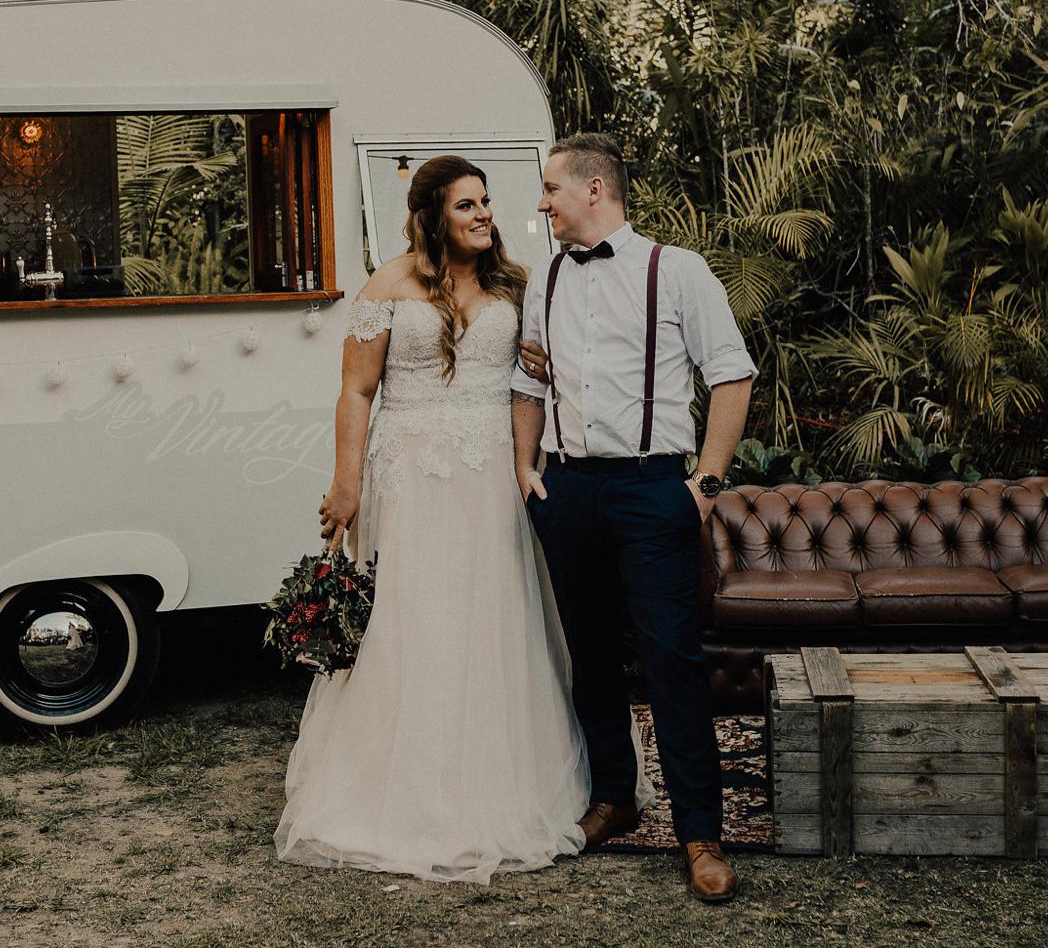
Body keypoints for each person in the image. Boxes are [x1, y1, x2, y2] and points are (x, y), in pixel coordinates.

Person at [275, 156, 588, 884]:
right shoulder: (387, 286)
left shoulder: (515, 284)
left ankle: (505, 780)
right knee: (416, 619)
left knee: (495, 616)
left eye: (486, 202)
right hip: (410, 472)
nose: (483, 214)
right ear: (431, 216)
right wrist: (344, 485)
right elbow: (355, 392)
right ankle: (403, 788)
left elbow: (535, 380)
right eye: (466, 205)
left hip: (494, 472)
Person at [511, 132, 755, 904]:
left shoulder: (676, 271)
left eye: (550, 188)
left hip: (654, 491)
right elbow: (527, 378)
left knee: (671, 660)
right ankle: (613, 798)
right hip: (569, 491)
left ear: (594, 189)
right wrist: (527, 468)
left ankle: (700, 832)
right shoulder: (543, 277)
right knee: (588, 653)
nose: (541, 203)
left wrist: (704, 482)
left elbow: (732, 375)